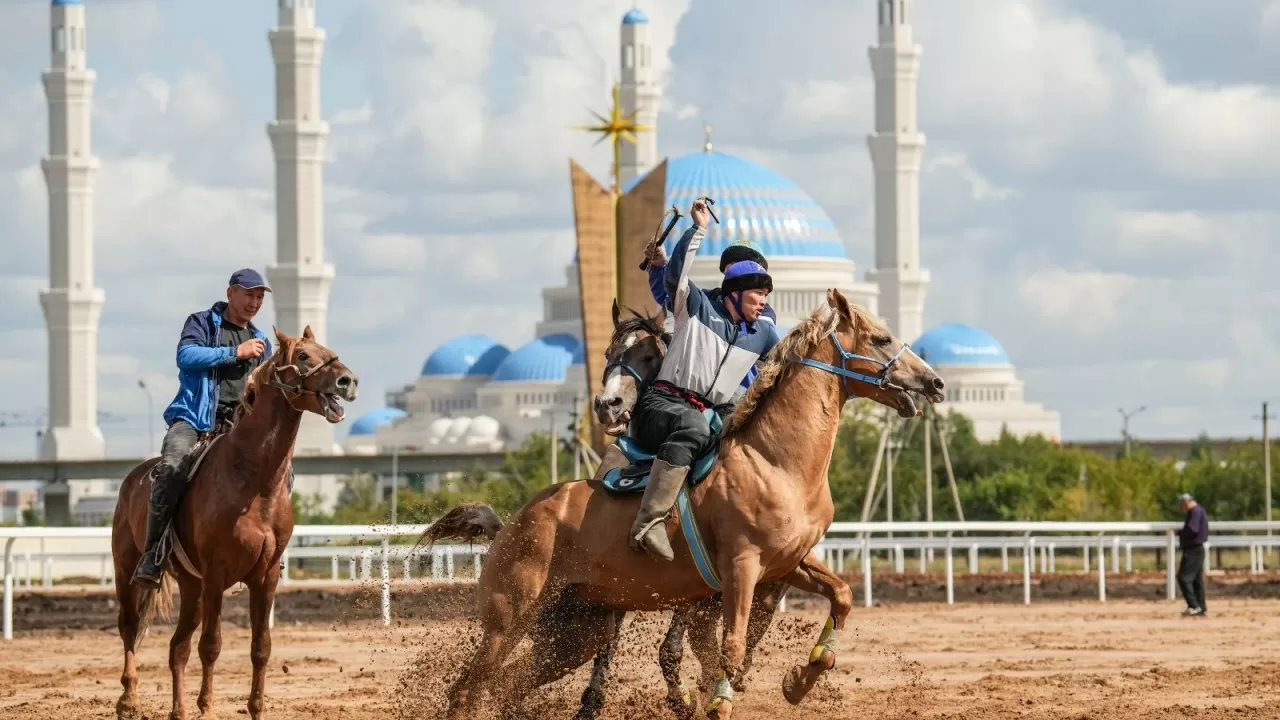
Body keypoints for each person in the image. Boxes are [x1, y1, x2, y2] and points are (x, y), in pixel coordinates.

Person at [629, 199, 780, 561]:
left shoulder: (763, 329)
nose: (763, 301)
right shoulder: (699, 304)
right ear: (734, 288)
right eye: (757, 291)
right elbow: (673, 283)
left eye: (764, 292)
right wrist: (693, 233)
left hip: (721, 405)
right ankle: (649, 523)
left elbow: (790, 365)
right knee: (695, 426)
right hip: (667, 402)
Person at [133, 269, 276, 588]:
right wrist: (234, 353)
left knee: (282, 474)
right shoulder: (201, 322)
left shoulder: (263, 342)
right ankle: (153, 553)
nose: (254, 302)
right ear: (230, 293)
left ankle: (266, 551)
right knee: (171, 467)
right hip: (194, 422)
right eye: (248, 294)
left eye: (259, 297)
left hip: (237, 431)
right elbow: (186, 356)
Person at [645, 240, 776, 393]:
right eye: (731, 263)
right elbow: (671, 295)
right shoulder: (707, 299)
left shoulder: (763, 314)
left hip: (739, 395)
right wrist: (660, 266)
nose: (733, 268)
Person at [1176, 492, 1209, 616]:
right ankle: (1200, 606)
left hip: (1193, 549)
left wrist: (1180, 533)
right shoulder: (1198, 511)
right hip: (1197, 549)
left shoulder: (1195, 512)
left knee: (1183, 577)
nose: (1181, 508)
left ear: (1186, 503)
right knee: (1196, 580)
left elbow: (1192, 529)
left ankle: (1194, 605)